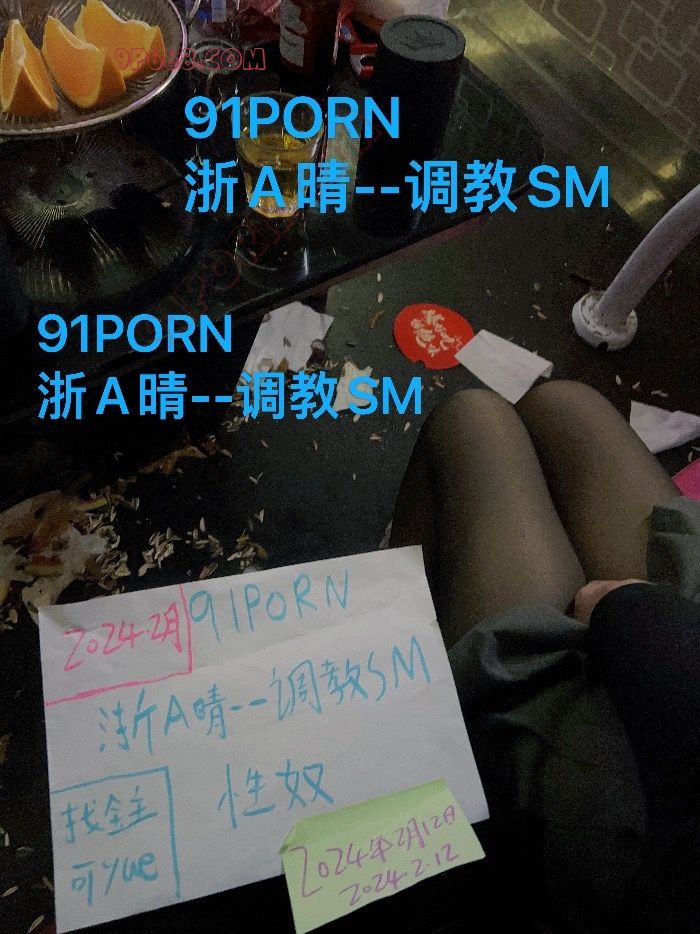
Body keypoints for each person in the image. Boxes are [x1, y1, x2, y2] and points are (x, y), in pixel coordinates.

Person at [390, 380, 700, 934]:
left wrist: (631, 613)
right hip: (678, 665)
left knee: (472, 422)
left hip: (630, 828)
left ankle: (390, 632)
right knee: (561, 405)